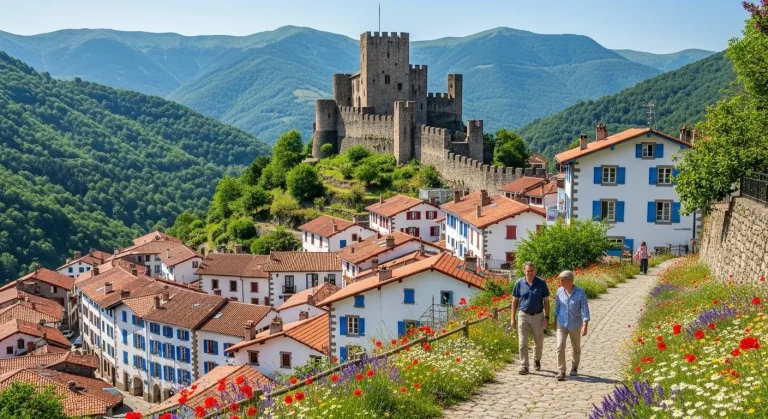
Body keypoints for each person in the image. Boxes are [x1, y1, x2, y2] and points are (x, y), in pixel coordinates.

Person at [511, 261, 550, 375]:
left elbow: (546, 301)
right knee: (522, 342)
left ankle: (537, 359)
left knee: (538, 341)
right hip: (523, 315)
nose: (530, 273)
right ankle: (524, 366)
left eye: (532, 271)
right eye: (528, 271)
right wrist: (512, 318)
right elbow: (515, 301)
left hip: (538, 315)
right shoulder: (519, 283)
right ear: (524, 271)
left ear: (535, 271)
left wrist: (547, 317)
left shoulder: (541, 282)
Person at [553, 270, 590, 381]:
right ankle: (561, 371)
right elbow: (557, 307)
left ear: (570, 280)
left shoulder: (580, 292)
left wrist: (585, 325)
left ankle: (574, 366)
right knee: (560, 346)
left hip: (575, 324)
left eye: (562, 280)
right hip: (562, 323)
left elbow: (585, 309)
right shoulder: (559, 291)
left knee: (576, 348)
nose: (560, 282)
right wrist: (554, 322)